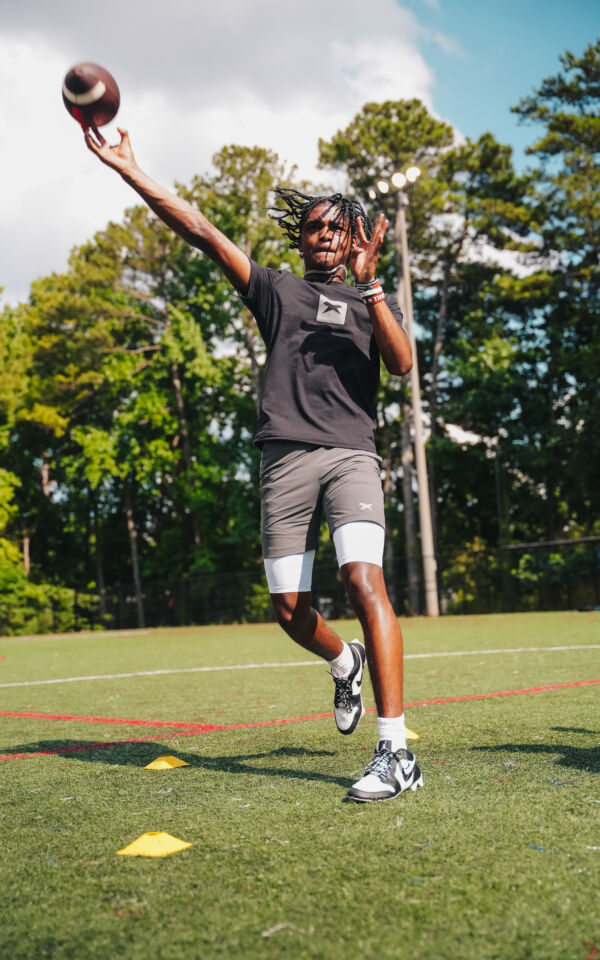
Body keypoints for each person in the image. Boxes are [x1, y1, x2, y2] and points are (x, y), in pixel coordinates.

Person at [84, 126, 423, 803]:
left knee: (364, 580)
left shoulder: (367, 302)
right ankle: (342, 659)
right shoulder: (276, 292)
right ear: (299, 239)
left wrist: (374, 288)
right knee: (290, 611)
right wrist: (131, 169)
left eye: (338, 227)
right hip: (284, 460)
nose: (325, 233)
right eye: (314, 226)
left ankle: (396, 751)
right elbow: (203, 230)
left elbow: (402, 363)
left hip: (352, 455)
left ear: (355, 239)